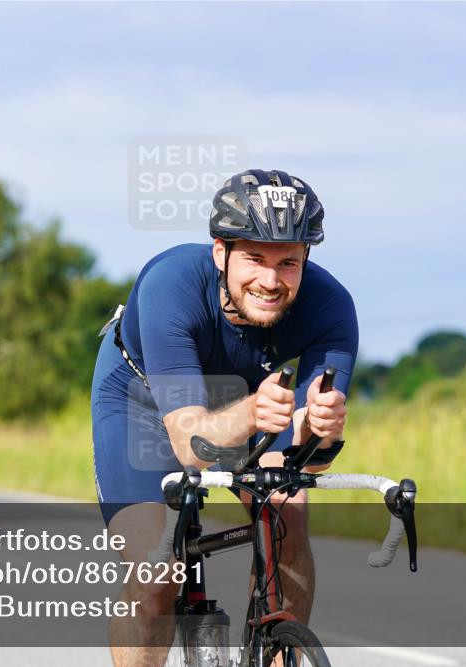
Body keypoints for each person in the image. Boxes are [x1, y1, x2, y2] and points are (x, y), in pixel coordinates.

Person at [91, 169, 358, 667]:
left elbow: (308, 460)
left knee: (287, 517)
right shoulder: (172, 284)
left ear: (307, 260)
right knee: (158, 574)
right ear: (221, 253)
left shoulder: (331, 308)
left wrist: (316, 432)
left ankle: (278, 653)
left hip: (247, 402)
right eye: (254, 258)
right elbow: (191, 444)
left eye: (289, 263)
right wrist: (256, 413)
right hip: (142, 402)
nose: (270, 280)